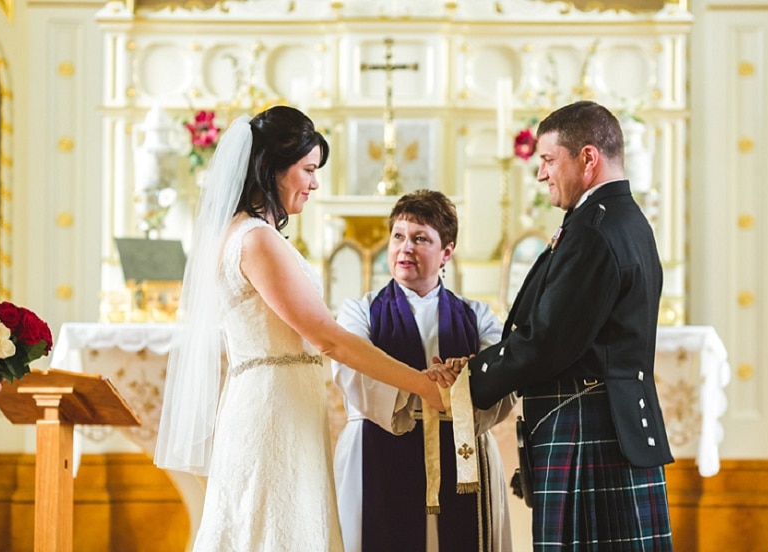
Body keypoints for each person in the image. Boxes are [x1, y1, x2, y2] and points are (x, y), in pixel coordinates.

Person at [154, 106, 452, 552]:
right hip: (274, 410)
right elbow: (326, 336)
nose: (314, 183)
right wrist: (422, 386)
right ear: (273, 168)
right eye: (308, 170)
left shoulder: (244, 233)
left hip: (281, 401)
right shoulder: (255, 239)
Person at [465, 101, 674, 550]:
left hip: (587, 427)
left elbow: (546, 342)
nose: (541, 175)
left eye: (547, 160)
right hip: (607, 425)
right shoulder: (627, 221)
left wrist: (471, 380)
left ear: (588, 157)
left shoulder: (594, 230)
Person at [331, 189, 516, 552]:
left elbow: (506, 370)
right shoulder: (359, 312)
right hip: (377, 445)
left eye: (421, 239)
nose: (406, 248)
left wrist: (471, 375)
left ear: (447, 252)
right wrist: (434, 385)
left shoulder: (477, 315)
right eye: (398, 236)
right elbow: (351, 369)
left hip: (461, 455)